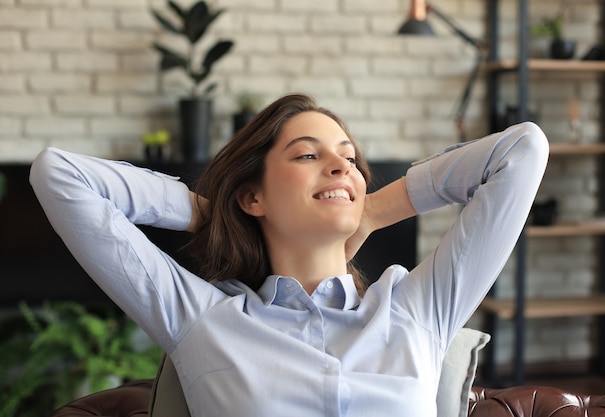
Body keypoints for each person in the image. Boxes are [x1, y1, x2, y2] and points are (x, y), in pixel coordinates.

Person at [30, 93, 548, 417]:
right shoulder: (202, 321)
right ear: (253, 196)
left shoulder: (416, 312)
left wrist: (371, 210)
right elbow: (59, 175)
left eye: (349, 158)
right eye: (307, 154)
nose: (340, 166)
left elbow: (523, 150)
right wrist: (217, 216)